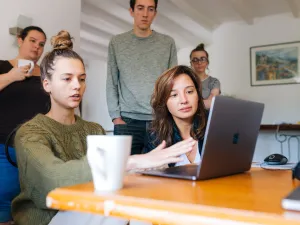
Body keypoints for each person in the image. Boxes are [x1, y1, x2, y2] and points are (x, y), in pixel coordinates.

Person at [12, 30, 195, 225]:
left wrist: (151, 167)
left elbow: (111, 183)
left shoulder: (94, 130)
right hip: (48, 218)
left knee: (143, 209)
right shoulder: (29, 133)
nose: (77, 86)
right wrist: (129, 162)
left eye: (82, 79)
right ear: (47, 84)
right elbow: (53, 181)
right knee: (117, 212)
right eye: (67, 78)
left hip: (91, 207)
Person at [106, 0, 178, 155]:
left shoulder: (168, 43)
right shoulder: (117, 43)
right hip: (127, 122)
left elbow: (173, 83)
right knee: (125, 175)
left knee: (159, 174)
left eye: (150, 9)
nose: (145, 14)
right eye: (140, 8)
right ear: (131, 11)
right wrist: (115, 118)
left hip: (159, 121)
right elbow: (111, 81)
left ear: (155, 13)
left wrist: (170, 117)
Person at [0, 26, 49, 225]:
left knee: (37, 204)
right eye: (32, 40)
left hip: (37, 150)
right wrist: (11, 76)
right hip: (4, 147)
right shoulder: (3, 67)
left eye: (41, 44)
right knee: (3, 201)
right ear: (20, 40)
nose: (37, 47)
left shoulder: (46, 75)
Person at [143, 65, 207, 167]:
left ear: (198, 95)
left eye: (189, 92)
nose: (184, 100)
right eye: (174, 95)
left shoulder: (214, 127)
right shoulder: (155, 137)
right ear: (163, 101)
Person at [190, 43, 221, 109]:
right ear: (191, 63)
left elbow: (211, 103)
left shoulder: (214, 81)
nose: (199, 63)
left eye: (203, 59)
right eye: (195, 60)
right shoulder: (187, 81)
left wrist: (191, 105)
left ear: (207, 62)